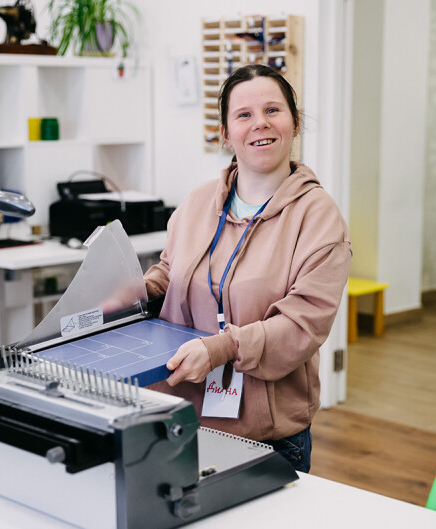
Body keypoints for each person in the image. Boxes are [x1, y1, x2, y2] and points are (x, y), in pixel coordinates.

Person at [144, 64, 351, 473]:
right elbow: (170, 274)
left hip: (267, 441)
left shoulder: (319, 217)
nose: (261, 123)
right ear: (225, 133)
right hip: (179, 423)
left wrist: (220, 348)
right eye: (244, 114)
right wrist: (134, 291)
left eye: (273, 110)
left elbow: (300, 327)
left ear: (294, 123)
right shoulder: (198, 202)